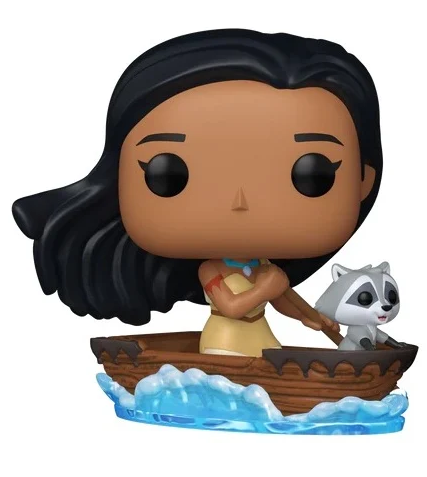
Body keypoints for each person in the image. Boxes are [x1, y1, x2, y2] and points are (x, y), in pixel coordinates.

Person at [13, 29, 382, 357]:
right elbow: (233, 307)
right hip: (225, 344)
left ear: (363, 180)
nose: (240, 201)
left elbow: (283, 299)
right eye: (168, 173)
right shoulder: (213, 269)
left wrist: (313, 319)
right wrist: (266, 289)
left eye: (313, 174)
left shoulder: (265, 268)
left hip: (262, 340)